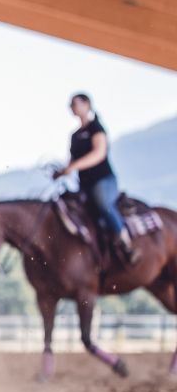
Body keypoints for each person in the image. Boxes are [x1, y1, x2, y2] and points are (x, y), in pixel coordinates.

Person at [54, 93, 140, 265]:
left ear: (87, 104)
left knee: (103, 203)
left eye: (75, 104)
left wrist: (74, 166)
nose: (72, 107)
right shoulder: (75, 135)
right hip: (84, 184)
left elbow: (98, 154)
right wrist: (63, 171)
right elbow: (72, 160)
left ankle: (125, 241)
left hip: (103, 180)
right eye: (71, 105)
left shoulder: (96, 128)